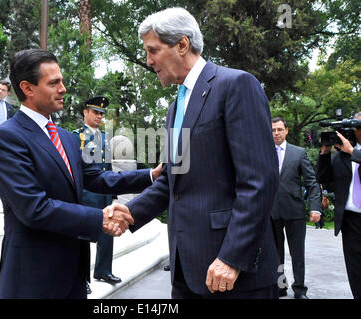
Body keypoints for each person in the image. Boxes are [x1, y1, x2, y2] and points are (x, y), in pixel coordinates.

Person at [106, 7, 280, 299]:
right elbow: (175, 180)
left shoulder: (235, 85)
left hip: (232, 274)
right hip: (187, 273)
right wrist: (132, 211)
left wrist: (232, 257)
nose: (149, 61)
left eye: (153, 50)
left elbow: (260, 180)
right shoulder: (176, 107)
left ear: (182, 45)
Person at [0, 49, 160, 299]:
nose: (63, 89)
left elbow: (98, 178)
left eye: (62, 81)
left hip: (73, 273)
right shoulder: (8, 137)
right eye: (54, 82)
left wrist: (151, 175)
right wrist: (98, 218)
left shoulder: (66, 138)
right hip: (33, 277)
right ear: (28, 88)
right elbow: (34, 208)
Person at [72, 96, 120, 294]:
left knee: (108, 232)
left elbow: (107, 167)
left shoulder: (105, 137)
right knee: (83, 238)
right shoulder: (76, 136)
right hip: (86, 194)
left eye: (101, 113)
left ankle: (103, 271)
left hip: (104, 194)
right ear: (85, 113)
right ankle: (81, 278)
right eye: (95, 112)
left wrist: (113, 193)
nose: (99, 116)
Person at [270, 117, 321, 299]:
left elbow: (312, 183)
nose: (276, 133)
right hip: (271, 212)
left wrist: (315, 208)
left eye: (279, 129)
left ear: (287, 130)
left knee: (297, 253)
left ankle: (300, 290)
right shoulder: (264, 152)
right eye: (273, 130)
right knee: (275, 254)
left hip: (294, 211)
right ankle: (280, 287)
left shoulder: (299, 153)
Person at [317, 111, 361, 299]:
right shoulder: (341, 156)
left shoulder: (351, 152)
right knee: (356, 271)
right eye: (355, 126)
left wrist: (353, 152)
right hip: (351, 221)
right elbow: (323, 179)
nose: (355, 130)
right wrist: (325, 153)